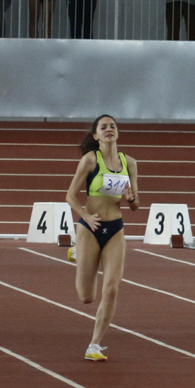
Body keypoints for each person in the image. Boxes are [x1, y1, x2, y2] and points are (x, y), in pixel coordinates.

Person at [65, 115, 140, 362]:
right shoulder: (90, 160)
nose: (109, 129)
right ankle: (78, 252)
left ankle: (94, 345)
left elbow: (136, 205)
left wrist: (131, 199)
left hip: (115, 229)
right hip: (90, 228)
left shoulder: (130, 163)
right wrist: (86, 216)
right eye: (104, 127)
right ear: (96, 136)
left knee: (112, 289)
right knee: (86, 297)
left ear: (117, 133)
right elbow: (70, 195)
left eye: (113, 126)